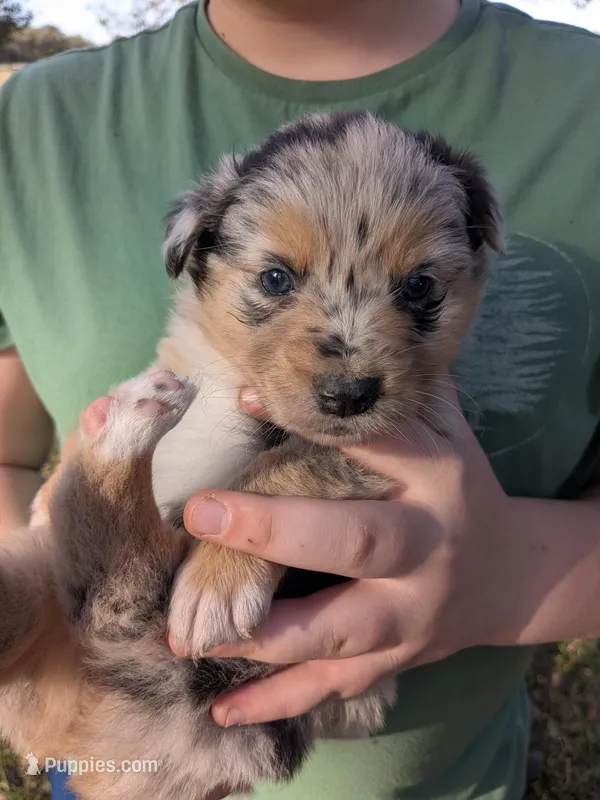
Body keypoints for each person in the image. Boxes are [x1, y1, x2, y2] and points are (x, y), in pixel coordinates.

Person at [1, 0, 600, 798]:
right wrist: (60, 572)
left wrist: (512, 579)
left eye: (418, 287)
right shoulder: (32, 124)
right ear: (196, 253)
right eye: (277, 282)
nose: (350, 362)